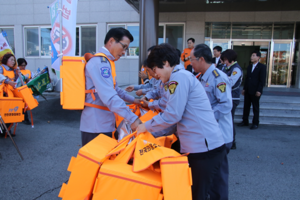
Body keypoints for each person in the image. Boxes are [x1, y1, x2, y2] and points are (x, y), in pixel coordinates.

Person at [137, 43, 226, 200]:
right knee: (197, 192)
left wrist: (145, 127)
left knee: (198, 194)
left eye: (155, 69)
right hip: (200, 147)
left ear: (165, 63)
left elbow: (172, 115)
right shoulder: (177, 77)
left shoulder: (179, 77)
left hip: (204, 149)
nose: (155, 75)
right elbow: (172, 115)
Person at [80, 28, 141, 146]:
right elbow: (109, 96)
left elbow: (115, 89)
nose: (124, 52)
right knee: (94, 163)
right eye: (124, 47)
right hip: (96, 126)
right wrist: (132, 118)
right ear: (111, 41)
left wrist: (134, 100)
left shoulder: (107, 62)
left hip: (102, 123)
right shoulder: (100, 63)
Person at [190, 44, 233, 200]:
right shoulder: (201, 77)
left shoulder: (218, 77)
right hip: (210, 135)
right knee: (210, 175)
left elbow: (226, 105)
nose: (190, 63)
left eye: (192, 59)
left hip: (220, 135)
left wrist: (205, 118)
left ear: (202, 59)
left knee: (218, 178)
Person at [238, 51, 266, 130]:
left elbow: (262, 80)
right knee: (246, 106)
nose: (251, 57)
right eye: (251, 55)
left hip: (255, 90)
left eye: (253, 55)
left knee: (255, 107)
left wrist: (259, 90)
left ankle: (255, 123)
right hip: (248, 90)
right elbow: (247, 78)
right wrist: (244, 89)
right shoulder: (249, 66)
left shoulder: (262, 67)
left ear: (258, 57)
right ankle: (245, 121)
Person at [221, 49, 243, 149]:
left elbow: (230, 83)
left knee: (230, 120)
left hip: (233, 97)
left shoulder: (236, 69)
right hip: (226, 96)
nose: (224, 61)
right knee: (226, 120)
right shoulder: (225, 67)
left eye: (225, 59)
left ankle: (232, 141)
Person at [0, 53, 18, 137]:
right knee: (3, 114)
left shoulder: (13, 70)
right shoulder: (1, 68)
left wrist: (18, 75)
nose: (13, 61)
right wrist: (8, 81)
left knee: (9, 114)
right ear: (5, 60)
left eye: (14, 60)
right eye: (11, 59)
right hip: (2, 95)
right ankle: (3, 130)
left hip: (10, 95)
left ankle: (6, 130)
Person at [17, 58, 33, 125]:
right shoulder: (16, 72)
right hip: (18, 90)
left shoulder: (28, 71)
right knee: (21, 105)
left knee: (25, 105)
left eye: (24, 65)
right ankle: (24, 118)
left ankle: (25, 118)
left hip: (26, 90)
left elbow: (31, 79)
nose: (23, 67)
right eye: (21, 65)